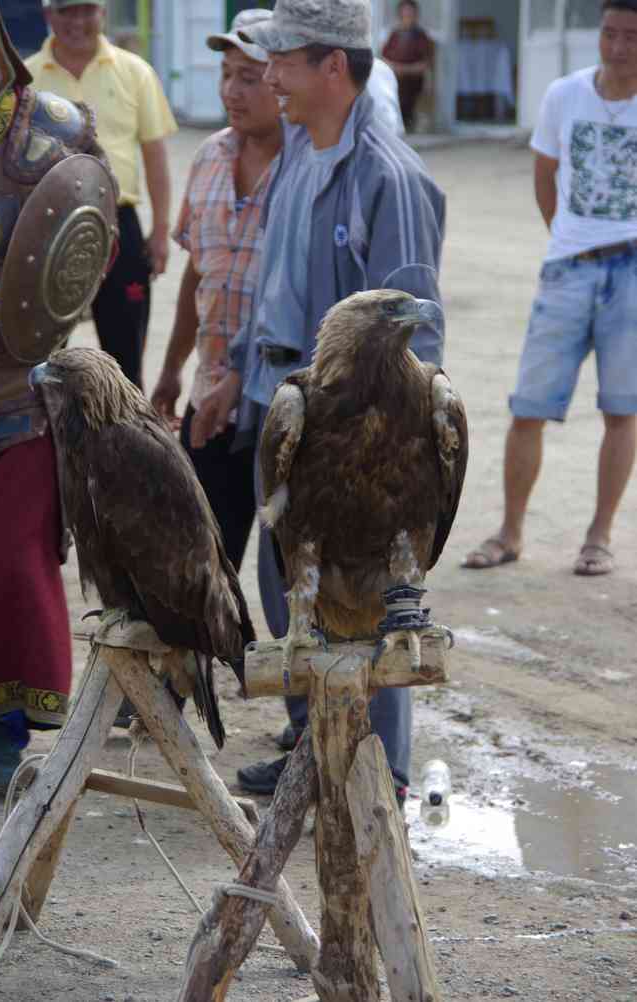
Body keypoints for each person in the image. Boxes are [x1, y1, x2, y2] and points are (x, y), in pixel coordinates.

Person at [191, 0, 446, 802]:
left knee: (369, 592)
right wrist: (235, 372)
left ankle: (381, 772)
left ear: (334, 68)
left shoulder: (389, 178)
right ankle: (315, 746)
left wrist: (390, 462)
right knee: (289, 591)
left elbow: (415, 336)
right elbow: (276, 287)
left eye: (285, 63)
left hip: (355, 437)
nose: (270, 79)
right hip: (279, 403)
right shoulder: (301, 151)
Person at [0, 0, 114, 789]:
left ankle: (3, 728)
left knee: (12, 570)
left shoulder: (54, 131)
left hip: (15, 402)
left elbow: (90, 241)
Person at [464, 0, 637, 578]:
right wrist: (565, 238)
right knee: (529, 407)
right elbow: (544, 174)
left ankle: (599, 535)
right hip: (567, 267)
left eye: (631, 37)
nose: (617, 47)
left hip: (632, 272)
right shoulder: (565, 94)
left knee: (622, 408)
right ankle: (510, 531)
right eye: (609, 34)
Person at [150, 10, 281, 573]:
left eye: (248, 78)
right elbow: (196, 274)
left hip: (284, 404)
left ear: (283, 80)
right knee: (205, 566)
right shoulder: (209, 156)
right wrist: (173, 368)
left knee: (290, 575)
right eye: (226, 75)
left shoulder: (310, 168)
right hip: (210, 399)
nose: (232, 91)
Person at [26, 0, 177, 388]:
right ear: (48, 15)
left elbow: (156, 157)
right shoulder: (25, 80)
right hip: (44, 231)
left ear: (103, 13)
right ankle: (51, 444)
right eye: (65, 11)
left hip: (118, 224)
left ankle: (127, 443)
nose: (77, 21)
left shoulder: (135, 71)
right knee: (40, 360)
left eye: (86, 10)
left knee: (125, 356)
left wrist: (160, 232)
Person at [382, 0, 433, 131]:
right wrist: (393, 67)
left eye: (410, 11)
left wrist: (405, 70)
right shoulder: (394, 34)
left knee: (406, 92)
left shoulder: (421, 36)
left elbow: (425, 64)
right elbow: (383, 58)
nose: (407, 14)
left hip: (412, 80)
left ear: (416, 14)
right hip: (393, 76)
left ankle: (407, 121)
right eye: (405, 11)